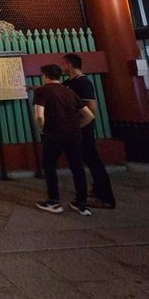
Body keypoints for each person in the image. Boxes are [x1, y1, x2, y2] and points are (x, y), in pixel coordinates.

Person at [33, 64, 95, 216]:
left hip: (54, 134)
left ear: (45, 76)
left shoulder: (42, 91)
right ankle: (82, 204)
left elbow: (39, 115)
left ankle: (54, 202)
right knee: (77, 167)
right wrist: (76, 127)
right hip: (74, 135)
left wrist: (42, 129)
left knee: (49, 165)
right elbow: (89, 115)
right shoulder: (69, 92)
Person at [62, 53, 116, 209]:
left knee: (92, 160)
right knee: (87, 159)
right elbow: (55, 88)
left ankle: (106, 197)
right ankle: (98, 188)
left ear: (69, 65)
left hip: (83, 129)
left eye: (63, 64)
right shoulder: (70, 82)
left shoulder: (83, 83)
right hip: (75, 128)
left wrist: (78, 127)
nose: (62, 67)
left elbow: (91, 110)